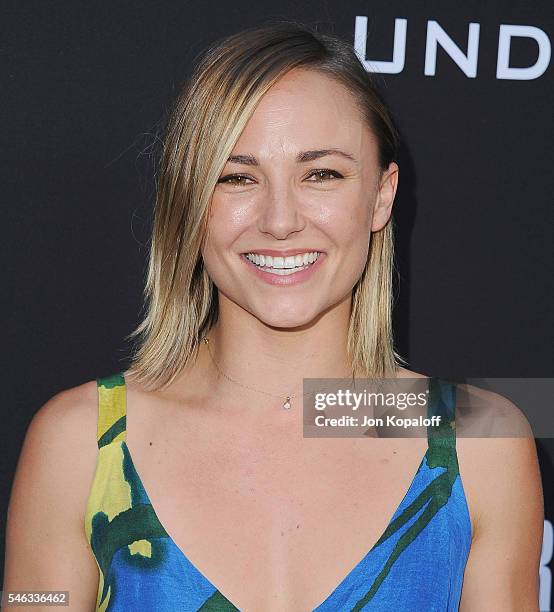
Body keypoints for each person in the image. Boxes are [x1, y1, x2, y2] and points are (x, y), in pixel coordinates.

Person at [2, 22, 543, 612]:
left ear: (382, 196)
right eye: (237, 178)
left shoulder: (479, 439)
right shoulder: (79, 440)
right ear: (190, 200)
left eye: (321, 174)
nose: (280, 220)